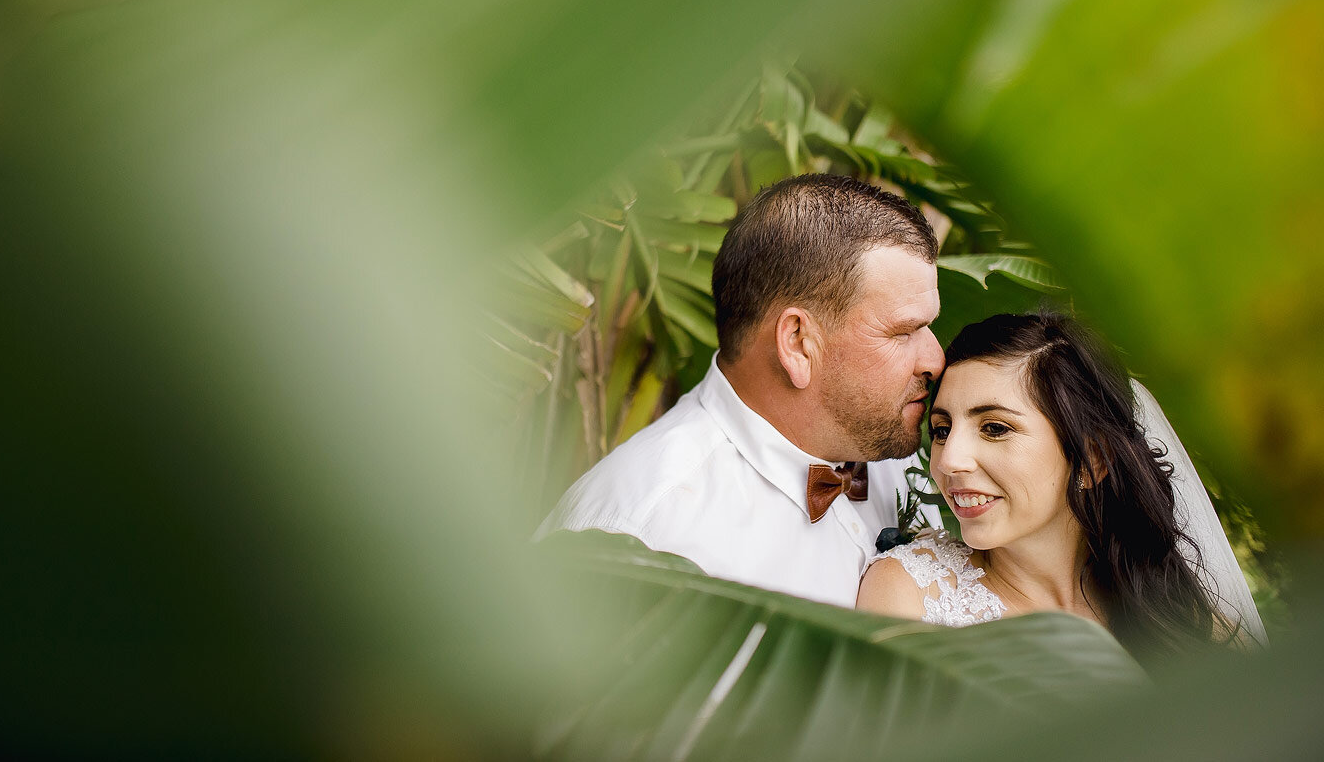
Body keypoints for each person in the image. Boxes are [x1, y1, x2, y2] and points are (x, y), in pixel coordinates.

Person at [535, 174, 945, 607]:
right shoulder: (639, 535)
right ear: (799, 344)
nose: (935, 359)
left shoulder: (891, 439)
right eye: (904, 332)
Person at [857, 312, 1267, 659]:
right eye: (942, 429)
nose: (948, 460)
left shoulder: (1183, 621)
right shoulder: (910, 596)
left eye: (995, 428)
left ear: (1092, 460)